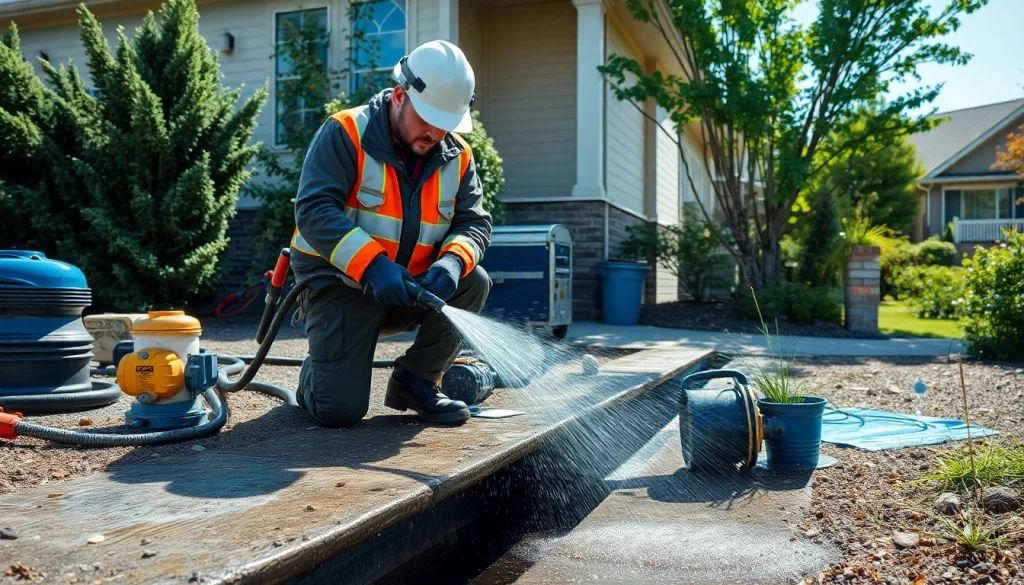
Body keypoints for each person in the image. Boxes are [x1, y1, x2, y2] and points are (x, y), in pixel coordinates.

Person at [289, 40, 492, 428]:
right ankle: (319, 369)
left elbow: (475, 222)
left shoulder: (459, 155)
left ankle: (415, 382)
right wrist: (373, 267)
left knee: (473, 281)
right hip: (341, 285)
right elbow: (313, 211)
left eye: (445, 123)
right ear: (400, 95)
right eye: (426, 118)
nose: (434, 132)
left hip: (412, 287)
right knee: (339, 411)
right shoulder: (346, 132)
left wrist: (451, 263)